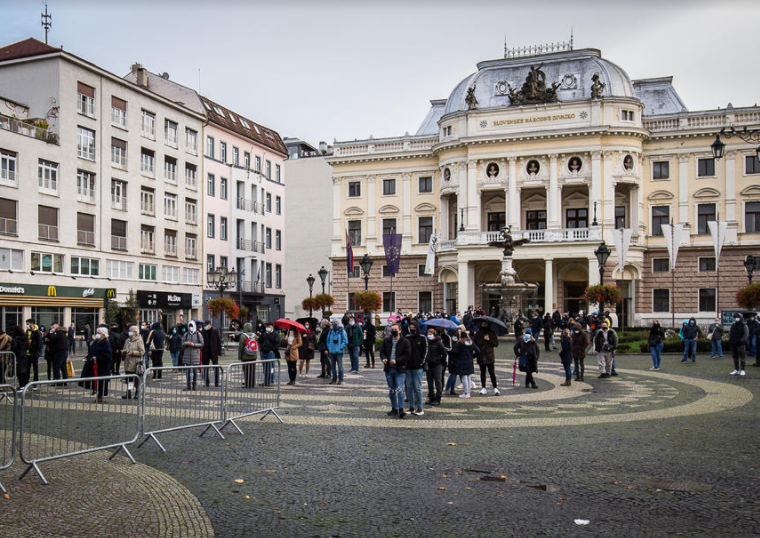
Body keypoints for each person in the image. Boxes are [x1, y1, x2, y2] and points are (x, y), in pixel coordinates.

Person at [380, 323, 410, 418]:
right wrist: (384, 358)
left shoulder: (405, 342)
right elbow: (382, 352)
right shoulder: (387, 341)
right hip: (389, 368)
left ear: (400, 330)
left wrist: (397, 361)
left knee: (400, 389)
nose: (393, 331)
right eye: (392, 329)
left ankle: (401, 409)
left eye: (395, 329)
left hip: (400, 369)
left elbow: (407, 355)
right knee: (391, 390)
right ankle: (394, 408)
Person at [405, 322, 428, 415]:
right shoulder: (407, 338)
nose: (412, 329)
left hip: (418, 367)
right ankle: (411, 407)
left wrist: (422, 363)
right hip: (408, 367)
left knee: (417, 388)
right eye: (410, 327)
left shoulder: (423, 338)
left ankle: (420, 408)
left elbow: (426, 351)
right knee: (409, 387)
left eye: (413, 327)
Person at [474, 319, 500, 396]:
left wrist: (489, 340)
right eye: (483, 324)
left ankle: (495, 388)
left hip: (489, 355)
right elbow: (476, 344)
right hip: (481, 355)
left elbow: (496, 344)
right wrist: (483, 340)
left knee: (492, 373)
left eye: (485, 324)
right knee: (482, 373)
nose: (484, 325)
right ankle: (483, 387)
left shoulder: (492, 333)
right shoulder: (478, 334)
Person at [451, 329, 479, 398]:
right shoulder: (471, 342)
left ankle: (466, 392)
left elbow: (456, 352)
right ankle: (468, 392)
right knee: (468, 377)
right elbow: (478, 351)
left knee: (464, 377)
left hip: (461, 361)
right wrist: (472, 356)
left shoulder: (460, 343)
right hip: (469, 361)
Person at [90, 326, 112, 403]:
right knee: (96, 381)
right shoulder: (96, 342)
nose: (97, 334)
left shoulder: (106, 343)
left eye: (99, 333)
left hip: (103, 366)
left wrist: (97, 358)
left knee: (101, 382)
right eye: (97, 333)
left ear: (103, 334)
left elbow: (108, 356)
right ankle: (96, 393)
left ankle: (100, 396)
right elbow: (91, 350)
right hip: (95, 365)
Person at [122, 325, 145, 399]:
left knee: (136, 380)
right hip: (128, 362)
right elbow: (125, 348)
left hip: (135, 363)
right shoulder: (127, 340)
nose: (129, 332)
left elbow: (142, 352)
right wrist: (124, 351)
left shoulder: (139, 341)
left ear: (135, 332)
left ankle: (137, 392)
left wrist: (133, 352)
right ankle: (128, 392)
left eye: (130, 331)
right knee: (129, 379)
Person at [425, 328, 446, 406]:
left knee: (438, 381)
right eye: (428, 333)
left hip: (437, 364)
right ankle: (431, 397)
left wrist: (442, 361)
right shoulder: (427, 342)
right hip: (429, 364)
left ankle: (438, 398)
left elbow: (444, 353)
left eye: (431, 334)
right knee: (429, 382)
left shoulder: (438, 343)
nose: (429, 335)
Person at [181, 321, 203, 391]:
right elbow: (182, 343)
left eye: (192, 326)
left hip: (195, 356)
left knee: (195, 372)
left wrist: (194, 345)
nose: (190, 327)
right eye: (189, 326)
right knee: (187, 372)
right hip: (187, 355)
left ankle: (194, 385)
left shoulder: (198, 334)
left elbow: (202, 343)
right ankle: (188, 385)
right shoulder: (186, 334)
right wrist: (185, 343)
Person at [200, 320, 222, 387]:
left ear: (210, 324)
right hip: (205, 353)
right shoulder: (203, 332)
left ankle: (217, 383)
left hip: (214, 352)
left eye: (206, 325)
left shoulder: (215, 331)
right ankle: (206, 382)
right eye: (204, 325)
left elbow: (218, 342)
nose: (205, 327)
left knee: (216, 368)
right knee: (206, 368)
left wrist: (219, 353)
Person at [326, 319, 348, 385]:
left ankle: (341, 380)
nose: (335, 324)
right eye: (333, 323)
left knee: (340, 366)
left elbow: (345, 341)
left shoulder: (342, 331)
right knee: (333, 367)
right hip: (332, 352)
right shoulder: (330, 331)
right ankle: (334, 379)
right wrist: (329, 347)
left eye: (336, 322)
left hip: (339, 352)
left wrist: (341, 347)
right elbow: (328, 340)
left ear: (338, 323)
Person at [257, 322, 279, 387]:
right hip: (264, 352)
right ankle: (266, 381)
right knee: (265, 368)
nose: (267, 327)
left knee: (271, 367)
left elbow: (277, 343)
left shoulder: (275, 334)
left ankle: (271, 381)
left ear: (272, 327)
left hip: (271, 353)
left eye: (269, 326)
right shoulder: (264, 334)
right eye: (267, 326)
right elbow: (260, 341)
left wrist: (273, 350)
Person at [238, 322, 257, 388]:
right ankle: (252, 384)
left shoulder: (243, 336)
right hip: (253, 356)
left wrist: (240, 356)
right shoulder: (254, 335)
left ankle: (247, 384)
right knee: (252, 371)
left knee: (246, 371)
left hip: (245, 356)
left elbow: (241, 347)